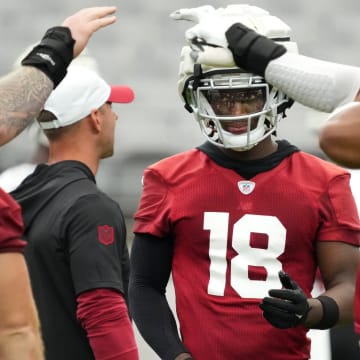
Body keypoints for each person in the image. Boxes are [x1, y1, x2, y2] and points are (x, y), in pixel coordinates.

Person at [128, 5, 360, 360]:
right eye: (223, 98)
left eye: (248, 95)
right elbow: (144, 287)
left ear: (277, 93)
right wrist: (177, 356)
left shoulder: (325, 181)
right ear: (197, 97)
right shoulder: (166, 178)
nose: (236, 112)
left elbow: (349, 288)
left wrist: (310, 309)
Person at [0, 6, 117, 360]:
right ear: (94, 116)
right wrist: (56, 47)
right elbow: (17, 330)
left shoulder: (13, 186)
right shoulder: (86, 203)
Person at [11, 65, 138, 360]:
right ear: (95, 118)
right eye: (110, 107)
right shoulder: (91, 208)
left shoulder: (19, 197)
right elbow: (103, 313)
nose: (115, 116)